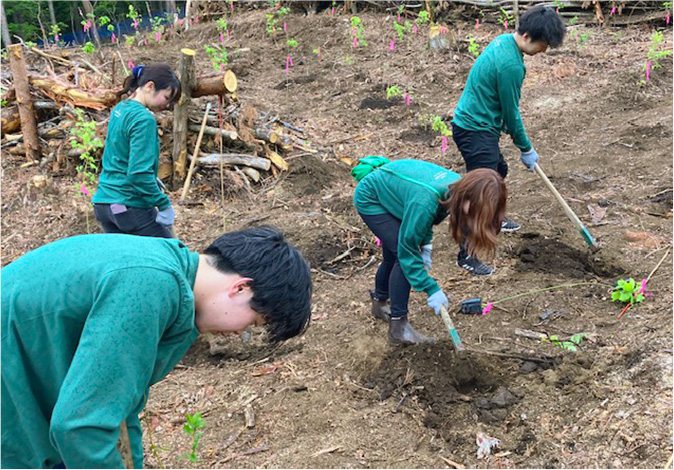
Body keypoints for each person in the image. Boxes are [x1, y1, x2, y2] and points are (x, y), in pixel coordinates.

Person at [1, 226, 312, 469]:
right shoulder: (150, 285)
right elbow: (81, 425)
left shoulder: (169, 280)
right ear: (240, 288)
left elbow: (119, 408)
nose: (241, 331)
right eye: (253, 322)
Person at [451, 5, 566, 275]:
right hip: (474, 129)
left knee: (499, 172)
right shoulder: (510, 65)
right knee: (480, 194)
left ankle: (493, 220)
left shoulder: (504, 41)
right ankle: (466, 255)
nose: (544, 50)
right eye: (544, 44)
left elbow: (502, 107)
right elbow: (511, 113)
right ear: (528, 36)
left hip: (478, 125)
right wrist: (525, 147)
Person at [352, 157, 506, 345]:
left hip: (396, 195)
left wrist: (425, 244)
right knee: (401, 257)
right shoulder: (427, 200)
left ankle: (379, 303)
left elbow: (423, 218)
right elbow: (408, 248)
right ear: (467, 204)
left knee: (395, 254)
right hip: (372, 199)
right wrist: (431, 288)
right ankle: (398, 328)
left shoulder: (458, 189)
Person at [92, 63, 182, 238]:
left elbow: (119, 155)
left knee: (129, 259)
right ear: (150, 86)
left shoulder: (121, 108)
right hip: (127, 205)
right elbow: (138, 174)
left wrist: (152, 178)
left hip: (106, 206)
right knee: (169, 256)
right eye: (167, 97)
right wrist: (163, 204)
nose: (168, 105)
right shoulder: (143, 119)